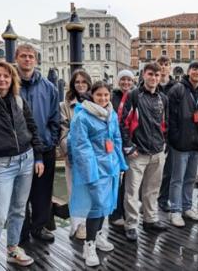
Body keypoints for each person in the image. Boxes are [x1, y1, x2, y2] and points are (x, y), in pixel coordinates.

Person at [68, 81, 128, 267]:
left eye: (106, 95)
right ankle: (89, 244)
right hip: (95, 167)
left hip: (110, 165)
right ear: (92, 95)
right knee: (96, 205)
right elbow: (81, 147)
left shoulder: (111, 114)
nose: (103, 98)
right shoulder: (82, 117)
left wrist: (120, 163)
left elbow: (116, 138)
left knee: (107, 203)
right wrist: (91, 173)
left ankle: (100, 235)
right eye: (99, 95)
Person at [0, 62, 44, 266]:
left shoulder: (18, 100)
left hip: (26, 159)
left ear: (12, 79)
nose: (2, 79)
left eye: (6, 76)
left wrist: (39, 156)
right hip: (1, 164)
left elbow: (31, 126)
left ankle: (12, 248)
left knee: (19, 209)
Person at [16, 44, 60, 243]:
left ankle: (39, 227)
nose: (27, 59)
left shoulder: (49, 87)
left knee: (42, 192)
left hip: (44, 147)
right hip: (18, 150)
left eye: (31, 56)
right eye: (23, 56)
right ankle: (21, 230)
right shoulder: (9, 85)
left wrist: (48, 143)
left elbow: (55, 119)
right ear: (17, 58)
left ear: (36, 60)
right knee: (19, 194)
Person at [123, 63, 168, 242]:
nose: (154, 78)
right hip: (138, 152)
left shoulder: (163, 98)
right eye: (150, 74)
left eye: (157, 75)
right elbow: (123, 121)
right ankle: (132, 224)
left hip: (157, 150)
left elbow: (166, 123)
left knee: (152, 189)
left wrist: (164, 143)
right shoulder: (133, 95)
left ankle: (150, 219)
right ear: (144, 75)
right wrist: (128, 145)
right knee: (132, 191)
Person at [168, 61, 198, 227]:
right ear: (189, 71)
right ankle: (175, 210)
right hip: (181, 142)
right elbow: (170, 116)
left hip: (197, 142)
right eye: (195, 69)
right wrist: (175, 137)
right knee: (177, 179)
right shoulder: (178, 89)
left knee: (190, 178)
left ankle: (187, 207)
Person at [60, 70, 92, 239]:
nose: (80, 85)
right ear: (73, 84)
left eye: (84, 82)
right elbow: (63, 132)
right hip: (74, 156)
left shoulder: (94, 103)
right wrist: (69, 153)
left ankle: (89, 224)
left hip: (92, 156)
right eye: (77, 82)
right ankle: (78, 226)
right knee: (75, 191)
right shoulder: (65, 105)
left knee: (91, 190)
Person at [109, 69, 135, 226]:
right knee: (115, 180)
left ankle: (124, 211)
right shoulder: (112, 97)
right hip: (114, 144)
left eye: (129, 80)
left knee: (128, 181)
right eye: (123, 79)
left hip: (128, 144)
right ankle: (114, 213)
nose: (126, 83)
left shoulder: (134, 96)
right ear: (118, 81)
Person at [157, 56, 177, 213]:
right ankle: (147, 200)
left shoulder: (176, 87)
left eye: (166, 64)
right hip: (152, 132)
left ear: (170, 67)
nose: (163, 67)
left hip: (171, 131)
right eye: (161, 65)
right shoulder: (150, 84)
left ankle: (164, 198)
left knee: (169, 168)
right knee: (151, 168)